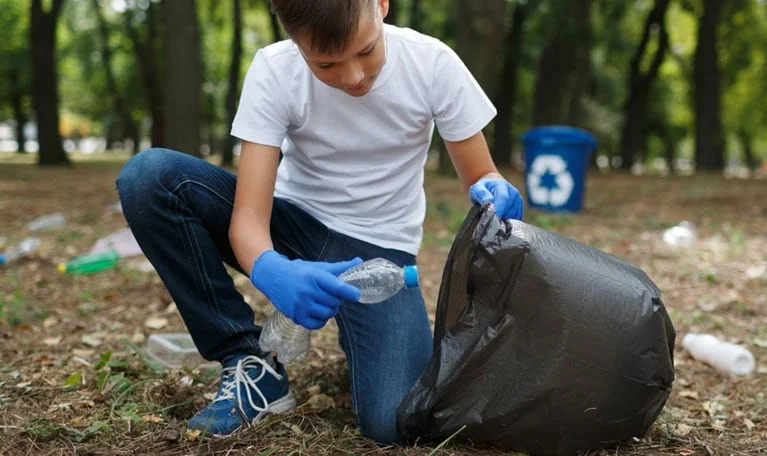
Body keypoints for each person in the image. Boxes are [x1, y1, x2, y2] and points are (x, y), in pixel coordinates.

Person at [116, 0, 523, 445]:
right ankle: (248, 362)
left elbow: (481, 175)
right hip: (292, 227)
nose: (352, 77)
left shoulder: (432, 63)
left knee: (393, 424)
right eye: (325, 63)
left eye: (366, 51)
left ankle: (366, 339)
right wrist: (272, 270)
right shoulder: (275, 70)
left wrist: (494, 191)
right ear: (293, 38)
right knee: (149, 179)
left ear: (381, 5)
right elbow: (250, 219)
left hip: (379, 252)